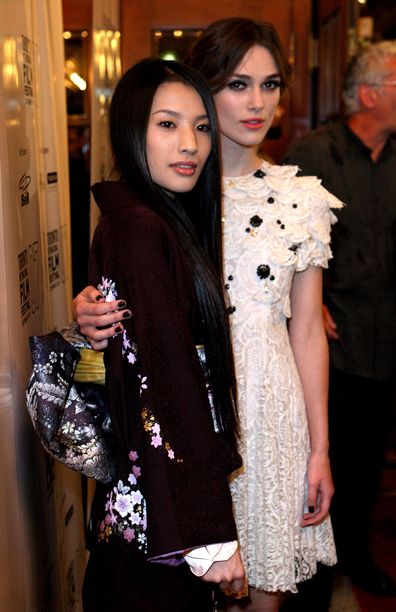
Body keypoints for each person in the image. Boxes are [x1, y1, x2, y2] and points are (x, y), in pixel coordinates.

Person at [74, 19, 340, 612]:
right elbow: (141, 320)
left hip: (269, 417)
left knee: (260, 594)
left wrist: (319, 448)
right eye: (237, 84)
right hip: (186, 420)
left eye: (270, 85)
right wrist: (89, 307)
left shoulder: (302, 198)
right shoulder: (163, 195)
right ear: (203, 85)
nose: (256, 102)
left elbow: (308, 331)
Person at [81, 57, 245, 612]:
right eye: (167, 124)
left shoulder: (152, 220)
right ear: (132, 132)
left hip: (147, 508)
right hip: (161, 516)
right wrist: (211, 538)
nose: (190, 144)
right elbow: (168, 381)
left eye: (200, 127)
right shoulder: (139, 227)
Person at [283, 41, 396, 597]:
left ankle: (356, 555)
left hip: (387, 336)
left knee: (371, 460)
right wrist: (309, 300)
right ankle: (318, 573)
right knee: (331, 457)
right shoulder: (313, 154)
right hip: (332, 337)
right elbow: (274, 241)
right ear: (371, 92)